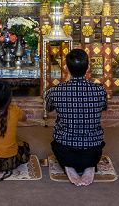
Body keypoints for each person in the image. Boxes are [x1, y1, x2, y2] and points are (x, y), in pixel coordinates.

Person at [45, 48, 107, 186]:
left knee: (56, 144)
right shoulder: (99, 89)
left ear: (66, 68)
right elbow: (104, 107)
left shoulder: (56, 90)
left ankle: (68, 166)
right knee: (94, 146)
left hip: (65, 150)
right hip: (92, 150)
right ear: (88, 67)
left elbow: (48, 108)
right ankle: (90, 166)